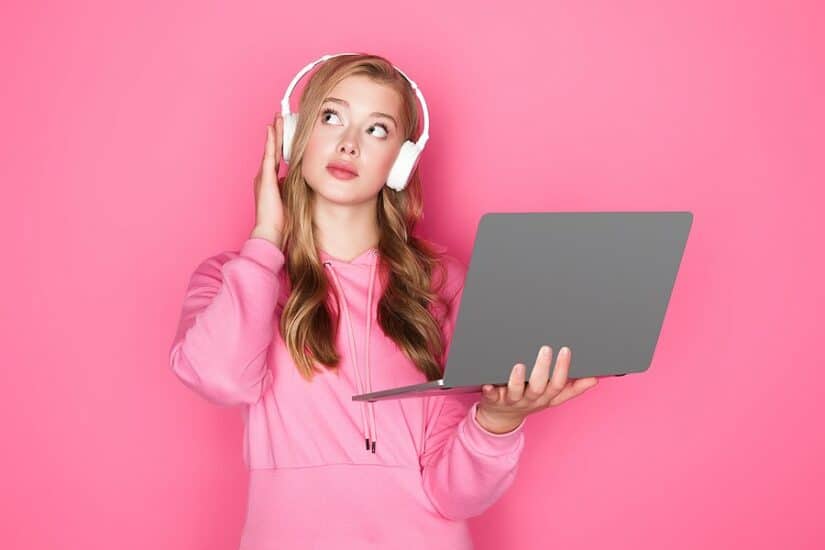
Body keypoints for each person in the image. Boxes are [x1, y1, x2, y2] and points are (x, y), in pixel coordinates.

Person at [168, 52, 598, 550]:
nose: (348, 144)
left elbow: (453, 495)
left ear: (403, 160)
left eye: (376, 130)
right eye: (331, 117)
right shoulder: (235, 278)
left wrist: (498, 422)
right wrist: (266, 238)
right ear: (294, 136)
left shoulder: (443, 284)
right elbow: (219, 379)